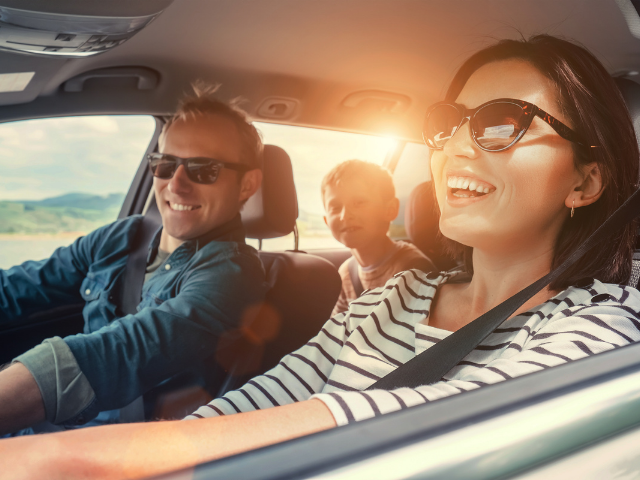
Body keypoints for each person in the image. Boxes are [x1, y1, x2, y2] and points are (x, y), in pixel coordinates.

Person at [3, 34, 640, 480]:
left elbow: (436, 420)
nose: (457, 147)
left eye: (502, 122)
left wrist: (78, 460)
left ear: (585, 182)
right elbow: (268, 398)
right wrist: (148, 455)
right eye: (449, 123)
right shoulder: (395, 297)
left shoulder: (603, 326)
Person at [0, 82, 267, 436]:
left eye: (204, 169)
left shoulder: (233, 273)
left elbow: (124, 352)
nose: (176, 184)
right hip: (58, 425)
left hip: (120, 448)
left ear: (247, 186)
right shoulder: (123, 237)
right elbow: (24, 285)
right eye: (166, 164)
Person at [321, 159, 435, 315]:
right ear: (326, 221)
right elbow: (338, 329)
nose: (345, 215)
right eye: (335, 207)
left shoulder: (413, 269)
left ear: (390, 210)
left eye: (359, 202)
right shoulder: (346, 272)